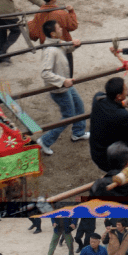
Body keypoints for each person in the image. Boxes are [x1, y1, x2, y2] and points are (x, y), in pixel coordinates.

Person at [36, 20, 88, 156]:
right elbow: (45, 73)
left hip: (66, 83)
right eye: (59, 28)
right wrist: (62, 81)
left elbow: (67, 49)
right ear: (53, 34)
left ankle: (78, 132)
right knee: (68, 116)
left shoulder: (58, 42)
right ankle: (45, 141)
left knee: (79, 106)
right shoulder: (49, 51)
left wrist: (75, 45)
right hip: (59, 88)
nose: (62, 29)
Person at [89, 77, 128, 171]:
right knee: (127, 176)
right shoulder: (120, 115)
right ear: (118, 96)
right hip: (108, 158)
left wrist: (120, 103)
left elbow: (109, 104)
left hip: (96, 150)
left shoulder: (98, 98)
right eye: (125, 90)